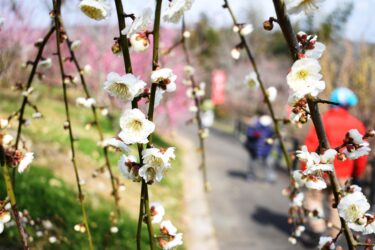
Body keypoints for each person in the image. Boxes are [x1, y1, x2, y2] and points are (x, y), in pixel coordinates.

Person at [302, 87, 369, 239]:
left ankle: (317, 228)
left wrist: (305, 168)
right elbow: (361, 154)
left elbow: (311, 145)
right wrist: (357, 174)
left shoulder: (322, 120)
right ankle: (334, 237)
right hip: (343, 175)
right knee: (338, 207)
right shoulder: (356, 124)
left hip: (319, 171)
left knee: (313, 199)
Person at [245, 114, 275, 182]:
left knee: (268, 163)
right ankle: (251, 175)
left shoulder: (270, 128)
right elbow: (249, 133)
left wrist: (271, 140)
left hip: (265, 150)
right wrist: (254, 134)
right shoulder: (255, 124)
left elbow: (273, 137)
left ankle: (270, 177)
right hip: (254, 148)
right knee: (253, 163)